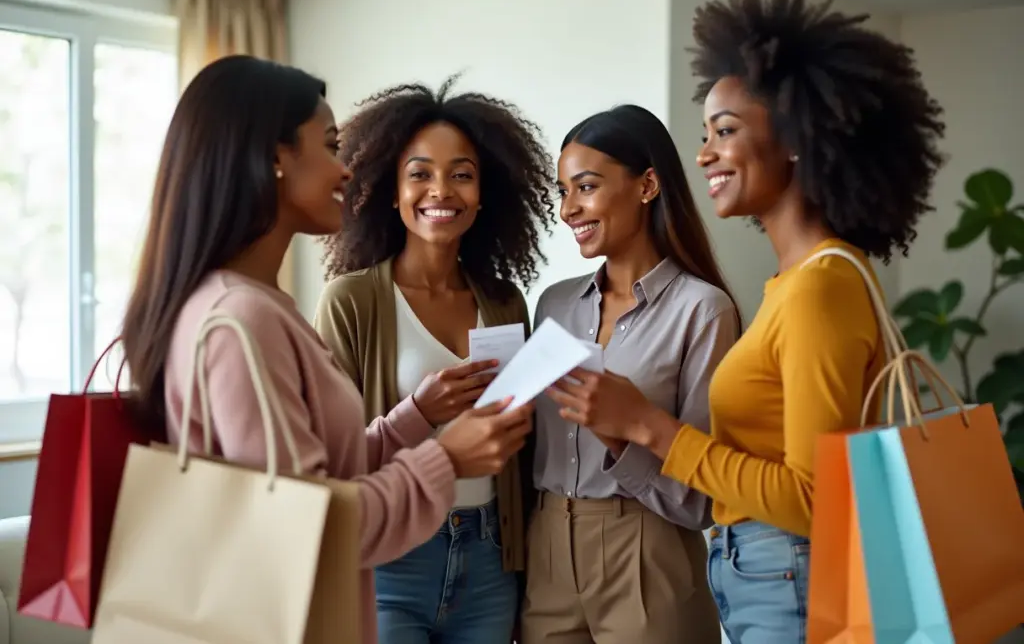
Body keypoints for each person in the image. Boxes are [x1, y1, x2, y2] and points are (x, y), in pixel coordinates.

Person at [552, 0, 945, 643]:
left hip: (786, 573)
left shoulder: (820, 287)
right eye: (706, 133)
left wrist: (651, 427)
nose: (703, 153)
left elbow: (815, 499)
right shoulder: (794, 283)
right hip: (761, 572)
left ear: (795, 137)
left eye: (725, 130)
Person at [119, 56, 535, 644]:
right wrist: (449, 460)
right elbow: (306, 526)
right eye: (330, 145)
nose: (346, 170)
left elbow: (317, 476)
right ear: (274, 159)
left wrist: (415, 418)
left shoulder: (257, 308)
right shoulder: (241, 321)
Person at [315, 77, 555, 644]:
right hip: (393, 559)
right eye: (419, 173)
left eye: (461, 174)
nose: (440, 191)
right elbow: (334, 458)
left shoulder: (503, 301)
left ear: (483, 191)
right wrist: (419, 410)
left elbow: (516, 455)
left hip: (490, 558)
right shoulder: (352, 301)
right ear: (390, 190)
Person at [522, 104, 740, 644]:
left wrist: (619, 438)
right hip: (547, 546)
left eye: (586, 187)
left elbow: (703, 498)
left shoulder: (703, 310)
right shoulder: (552, 306)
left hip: (650, 551)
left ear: (647, 185)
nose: (568, 209)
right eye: (562, 192)